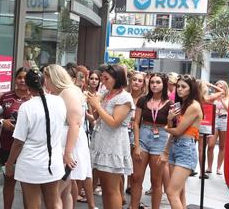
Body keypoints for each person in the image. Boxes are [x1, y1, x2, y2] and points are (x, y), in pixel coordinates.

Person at [4, 69, 66, 209]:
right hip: (53, 161)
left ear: (28, 86)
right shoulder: (59, 101)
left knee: (32, 203)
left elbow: (19, 141)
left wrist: (9, 163)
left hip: (31, 163)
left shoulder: (26, 107)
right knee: (54, 200)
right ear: (44, 82)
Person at [45, 65, 93, 209]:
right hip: (67, 143)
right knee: (65, 191)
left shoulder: (68, 93)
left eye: (46, 77)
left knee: (55, 193)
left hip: (69, 144)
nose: (44, 81)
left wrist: (67, 153)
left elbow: (75, 124)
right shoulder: (67, 92)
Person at [86, 64, 134, 209]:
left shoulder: (124, 97)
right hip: (102, 141)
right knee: (106, 189)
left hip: (114, 143)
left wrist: (97, 105)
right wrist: (92, 104)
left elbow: (114, 122)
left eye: (106, 78)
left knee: (112, 189)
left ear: (116, 79)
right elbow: (97, 117)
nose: (103, 81)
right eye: (103, 78)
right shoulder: (107, 94)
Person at [130, 73, 171, 209]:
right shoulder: (143, 100)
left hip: (161, 138)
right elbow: (136, 123)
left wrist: (166, 150)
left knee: (156, 181)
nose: (154, 85)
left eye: (158, 82)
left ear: (164, 84)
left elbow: (172, 128)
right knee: (136, 177)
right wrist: (136, 145)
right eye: (152, 82)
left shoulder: (170, 103)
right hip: (143, 136)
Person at [163, 75, 203, 209]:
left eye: (183, 87)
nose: (179, 89)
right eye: (178, 86)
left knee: (171, 192)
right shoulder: (182, 105)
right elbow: (173, 128)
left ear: (191, 89)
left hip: (186, 149)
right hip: (176, 147)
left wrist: (165, 128)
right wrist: (169, 120)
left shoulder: (194, 106)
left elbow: (178, 131)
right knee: (179, 192)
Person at [0, 67, 31, 209]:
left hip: (27, 148)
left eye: (25, 78)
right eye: (19, 77)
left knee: (27, 185)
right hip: (7, 145)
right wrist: (2, 122)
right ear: (15, 79)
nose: (22, 80)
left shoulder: (34, 98)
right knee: (9, 181)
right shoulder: (5, 96)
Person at [207, 80, 229, 175]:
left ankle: (219, 168)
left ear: (225, 88)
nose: (220, 88)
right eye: (218, 87)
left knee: (222, 146)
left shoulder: (228, 98)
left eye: (221, 87)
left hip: (224, 120)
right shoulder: (213, 97)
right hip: (214, 120)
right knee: (211, 145)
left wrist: (222, 100)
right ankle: (209, 167)